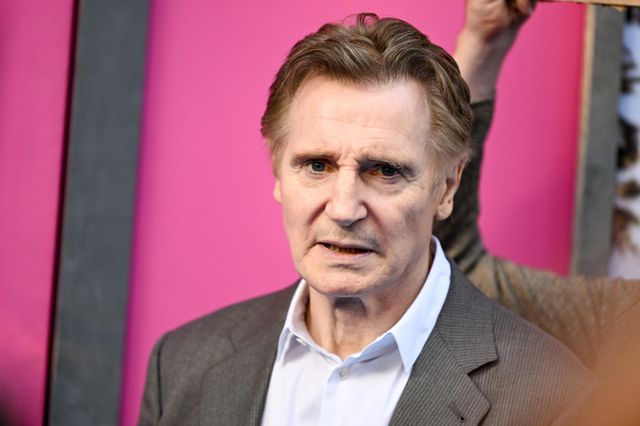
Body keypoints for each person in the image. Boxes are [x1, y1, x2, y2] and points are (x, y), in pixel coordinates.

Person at [138, 11, 592, 426]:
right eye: (317, 165)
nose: (344, 209)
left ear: (447, 187)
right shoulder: (181, 364)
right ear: (277, 171)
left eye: (385, 171)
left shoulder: (555, 400)